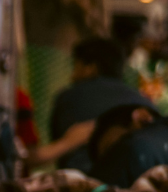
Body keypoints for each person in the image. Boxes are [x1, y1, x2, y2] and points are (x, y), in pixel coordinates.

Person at [46, 37, 155, 174]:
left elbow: (57, 147)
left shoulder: (69, 97)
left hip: (78, 181)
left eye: (75, 66)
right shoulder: (144, 103)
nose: (72, 76)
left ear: (90, 68)